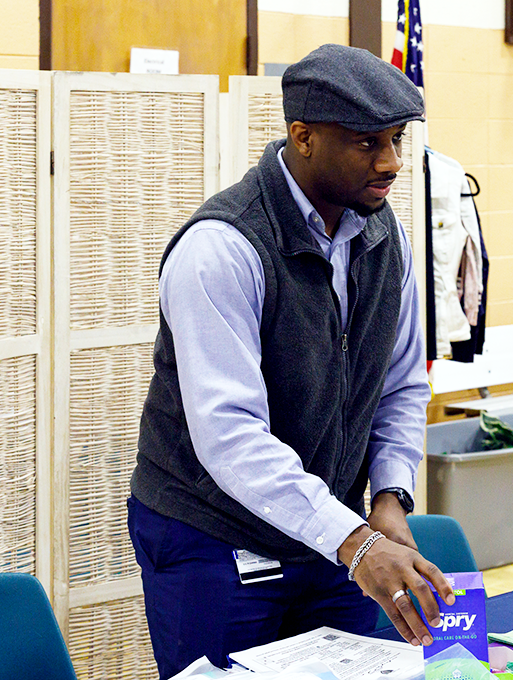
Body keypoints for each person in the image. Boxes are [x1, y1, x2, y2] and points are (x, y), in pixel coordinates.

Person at [127, 44, 454, 679]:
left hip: (328, 531)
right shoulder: (221, 249)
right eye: (366, 143)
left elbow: (402, 384)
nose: (390, 163)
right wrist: (357, 543)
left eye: (396, 139)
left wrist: (389, 496)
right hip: (212, 537)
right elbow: (229, 437)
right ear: (302, 137)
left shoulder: (387, 239)